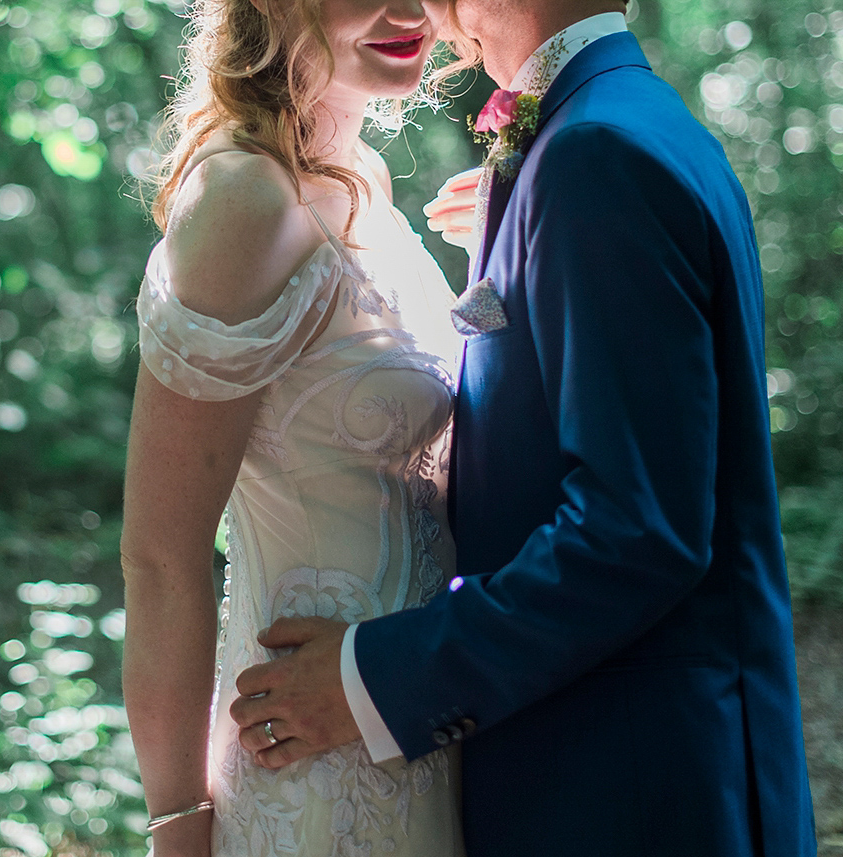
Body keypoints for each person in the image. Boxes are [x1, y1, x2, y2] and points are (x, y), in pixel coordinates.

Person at [229, 1, 819, 856]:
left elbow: (634, 532)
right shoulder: (608, 123)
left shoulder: (595, 155)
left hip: (631, 790)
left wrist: (371, 681)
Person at [118, 0, 472, 851]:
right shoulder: (242, 199)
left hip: (424, 733)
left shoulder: (369, 179)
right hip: (308, 778)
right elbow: (161, 558)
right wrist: (177, 825)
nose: (410, 8)